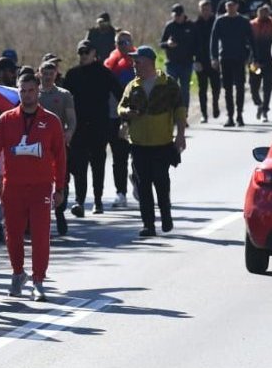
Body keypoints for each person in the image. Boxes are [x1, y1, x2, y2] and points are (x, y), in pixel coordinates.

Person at [0, 73, 67, 303]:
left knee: (41, 235)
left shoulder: (51, 121)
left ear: (38, 91)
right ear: (18, 91)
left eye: (31, 90)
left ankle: (39, 281)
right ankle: (17, 273)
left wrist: (59, 188)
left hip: (41, 187)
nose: (27, 95)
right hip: (13, 187)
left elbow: (60, 157)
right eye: (23, 91)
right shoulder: (6, 119)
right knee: (13, 235)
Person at [117, 46, 186, 237]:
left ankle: (166, 216)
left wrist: (180, 135)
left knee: (161, 183)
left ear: (148, 62)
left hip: (162, 144)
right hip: (138, 145)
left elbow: (180, 109)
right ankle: (148, 224)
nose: (134, 65)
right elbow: (120, 107)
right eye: (133, 61)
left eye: (137, 61)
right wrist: (126, 113)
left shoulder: (168, 83)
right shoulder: (133, 86)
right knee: (143, 185)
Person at [64, 40, 123, 216]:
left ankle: (98, 200)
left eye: (86, 52)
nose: (83, 55)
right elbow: (65, 98)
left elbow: (120, 94)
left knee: (98, 163)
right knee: (79, 165)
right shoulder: (73, 74)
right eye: (80, 52)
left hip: (100, 125)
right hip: (79, 126)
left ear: (94, 53)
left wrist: (123, 117)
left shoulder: (105, 73)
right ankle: (80, 201)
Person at [39, 61, 77, 235]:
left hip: (58, 145)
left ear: (56, 75)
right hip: (37, 147)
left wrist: (69, 133)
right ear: (39, 73)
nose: (47, 77)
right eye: (44, 73)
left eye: (51, 73)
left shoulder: (64, 95)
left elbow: (71, 119)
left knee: (62, 178)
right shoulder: (32, 95)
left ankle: (60, 212)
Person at [210, 0, 254, 127]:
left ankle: (239, 115)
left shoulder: (243, 21)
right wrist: (214, 57)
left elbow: (251, 40)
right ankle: (230, 117)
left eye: (233, 5)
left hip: (240, 58)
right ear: (226, 7)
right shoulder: (220, 21)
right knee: (227, 89)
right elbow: (213, 40)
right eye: (228, 5)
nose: (231, 8)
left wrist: (254, 57)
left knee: (240, 87)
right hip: (225, 58)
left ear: (237, 7)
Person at [104, 30, 135, 208]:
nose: (123, 45)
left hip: (137, 116)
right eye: (119, 42)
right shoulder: (110, 64)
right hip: (115, 116)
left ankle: (138, 182)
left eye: (126, 42)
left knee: (138, 154)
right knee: (119, 156)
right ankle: (120, 192)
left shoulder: (139, 62)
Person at [160, 3, 196, 108]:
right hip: (172, 64)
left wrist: (196, 58)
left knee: (185, 90)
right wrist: (168, 44)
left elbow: (197, 43)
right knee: (171, 89)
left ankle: (184, 115)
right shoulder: (169, 26)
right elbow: (161, 43)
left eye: (179, 15)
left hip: (187, 63)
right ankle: (172, 115)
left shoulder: (191, 26)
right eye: (175, 16)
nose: (177, 18)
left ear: (183, 15)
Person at [192, 0, 221, 122]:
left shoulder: (216, 22)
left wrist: (218, 58)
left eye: (207, 9)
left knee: (216, 87)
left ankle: (215, 105)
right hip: (200, 61)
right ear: (200, 10)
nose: (205, 12)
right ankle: (204, 114)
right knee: (202, 89)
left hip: (214, 60)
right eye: (203, 9)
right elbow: (191, 44)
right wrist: (194, 60)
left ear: (211, 10)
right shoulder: (195, 24)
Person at [249, 6, 272, 122]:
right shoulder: (252, 24)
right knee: (253, 87)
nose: (263, 14)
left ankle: (265, 110)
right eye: (261, 12)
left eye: (265, 12)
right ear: (257, 13)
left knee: (267, 87)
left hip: (269, 61)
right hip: (255, 60)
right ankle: (259, 104)